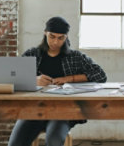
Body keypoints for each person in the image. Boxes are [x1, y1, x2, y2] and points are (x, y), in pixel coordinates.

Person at [7, 16, 107, 146]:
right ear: (45, 33)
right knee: (15, 144)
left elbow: (100, 75)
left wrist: (69, 79)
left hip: (64, 111)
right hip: (34, 109)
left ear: (66, 37)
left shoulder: (75, 57)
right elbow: (10, 76)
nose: (55, 42)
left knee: (53, 141)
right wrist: (33, 80)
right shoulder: (32, 54)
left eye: (60, 38)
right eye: (52, 36)